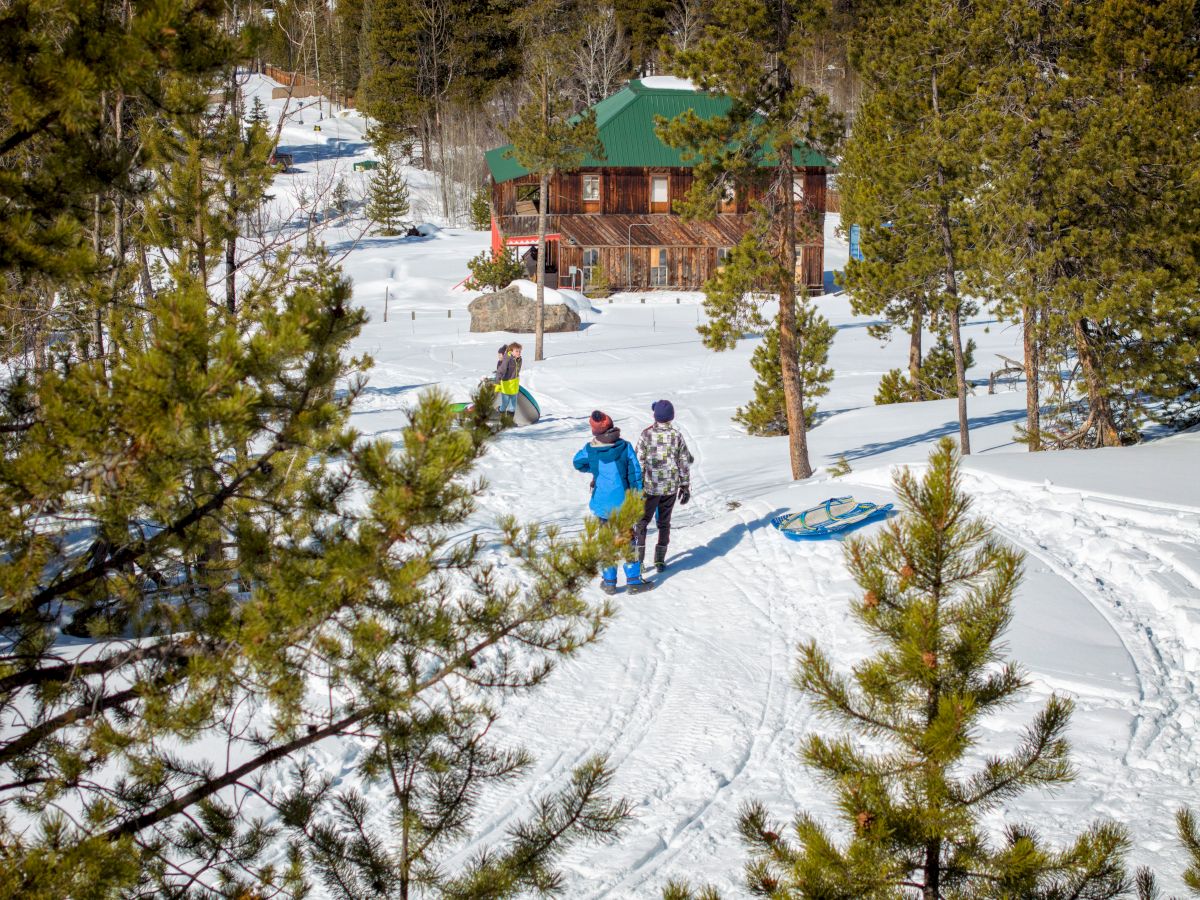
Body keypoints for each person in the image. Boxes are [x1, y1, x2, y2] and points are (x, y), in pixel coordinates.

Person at [572, 410, 651, 594]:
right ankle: (633, 581)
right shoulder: (625, 447)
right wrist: (638, 495)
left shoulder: (590, 449)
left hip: (602, 505)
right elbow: (635, 473)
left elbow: (577, 462)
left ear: (595, 431)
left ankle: (609, 583)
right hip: (623, 504)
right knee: (627, 540)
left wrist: (595, 470)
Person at [634, 399, 692, 574]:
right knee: (664, 522)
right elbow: (684, 461)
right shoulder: (676, 436)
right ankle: (659, 560)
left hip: (650, 487)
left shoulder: (646, 435)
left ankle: (639, 561)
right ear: (671, 417)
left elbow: (639, 461)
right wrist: (685, 485)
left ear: (655, 416)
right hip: (670, 488)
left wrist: (638, 485)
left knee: (642, 522)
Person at [495, 342, 522, 427]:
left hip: (514, 386)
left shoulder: (519, 359)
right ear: (511, 351)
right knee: (504, 405)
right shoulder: (507, 359)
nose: (519, 353)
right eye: (517, 351)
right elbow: (500, 371)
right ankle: (499, 411)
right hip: (506, 386)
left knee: (513, 406)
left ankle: (509, 422)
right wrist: (498, 383)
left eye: (520, 351)